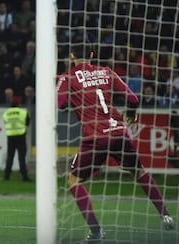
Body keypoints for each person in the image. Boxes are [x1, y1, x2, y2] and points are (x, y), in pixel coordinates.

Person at [56, 44, 174, 242]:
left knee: (74, 181)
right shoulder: (106, 72)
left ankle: (96, 232)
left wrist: (72, 102)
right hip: (119, 131)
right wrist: (131, 114)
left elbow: (60, 104)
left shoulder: (67, 77)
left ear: (71, 55)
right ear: (92, 54)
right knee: (140, 172)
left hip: (95, 137)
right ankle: (166, 215)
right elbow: (133, 99)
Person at [2, 97, 31, 182]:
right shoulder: (23, 112)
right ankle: (24, 176)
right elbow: (28, 123)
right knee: (21, 157)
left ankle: (7, 176)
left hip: (10, 136)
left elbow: (5, 122)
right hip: (21, 136)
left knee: (10, 156)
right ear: (19, 104)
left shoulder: (6, 113)